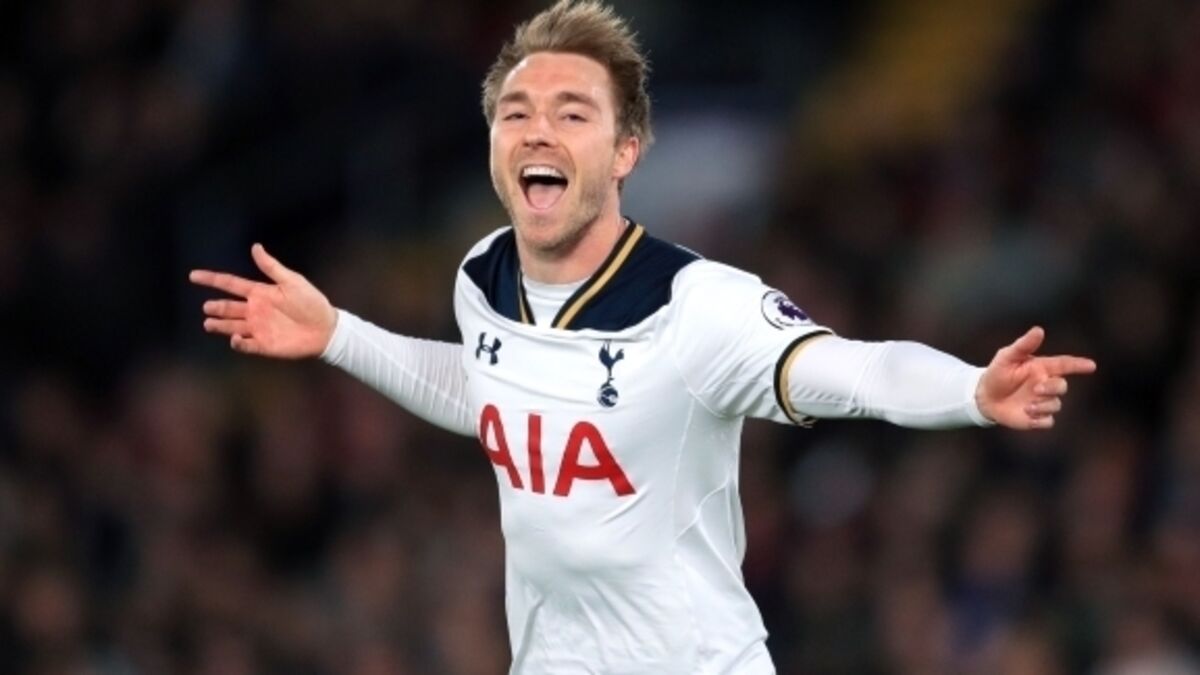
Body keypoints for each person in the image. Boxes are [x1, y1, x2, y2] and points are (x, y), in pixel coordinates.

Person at [189, 1, 1097, 672]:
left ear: (626, 150)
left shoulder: (695, 304)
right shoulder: (482, 277)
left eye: (572, 112)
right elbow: (493, 390)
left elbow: (850, 369)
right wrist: (339, 333)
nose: (538, 130)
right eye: (517, 111)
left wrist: (970, 389)